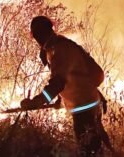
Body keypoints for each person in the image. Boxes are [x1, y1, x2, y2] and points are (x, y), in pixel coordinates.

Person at [20, 16, 113, 156]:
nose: (37, 38)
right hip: (89, 103)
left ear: (46, 30)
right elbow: (71, 77)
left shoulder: (60, 49)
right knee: (96, 146)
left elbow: (58, 83)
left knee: (90, 151)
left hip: (84, 108)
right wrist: (60, 100)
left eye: (38, 33)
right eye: (36, 35)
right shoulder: (54, 47)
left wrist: (37, 102)